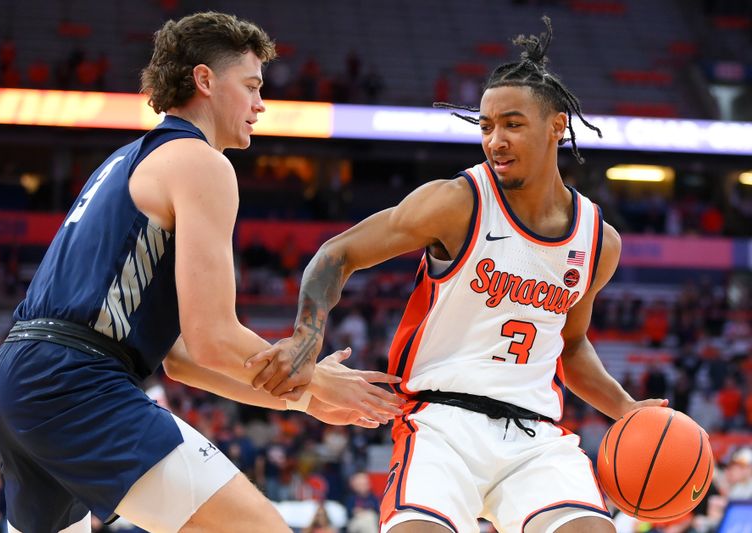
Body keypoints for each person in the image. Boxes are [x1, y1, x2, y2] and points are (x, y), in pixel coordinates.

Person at [0, 11, 403, 533]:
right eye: (250, 86)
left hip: (16, 379)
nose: (260, 104)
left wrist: (308, 399)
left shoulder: (126, 159)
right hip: (75, 382)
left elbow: (182, 359)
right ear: (205, 80)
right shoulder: (201, 163)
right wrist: (318, 379)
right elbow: (212, 338)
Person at [248, 18, 668, 533]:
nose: (495, 140)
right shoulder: (457, 203)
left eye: (512, 124)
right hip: (438, 426)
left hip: (534, 438)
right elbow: (335, 255)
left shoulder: (598, 240)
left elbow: (572, 345)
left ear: (557, 125)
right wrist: (304, 342)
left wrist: (626, 409)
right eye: (487, 126)